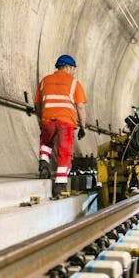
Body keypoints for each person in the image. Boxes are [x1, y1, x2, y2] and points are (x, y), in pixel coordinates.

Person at [34, 54, 88, 197]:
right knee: (65, 152)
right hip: (66, 122)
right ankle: (60, 184)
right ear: (68, 67)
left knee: (46, 142)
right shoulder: (74, 83)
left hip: (47, 118)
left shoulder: (45, 81)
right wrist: (83, 126)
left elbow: (37, 103)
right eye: (73, 69)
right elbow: (80, 107)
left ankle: (44, 163)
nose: (73, 72)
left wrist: (42, 118)